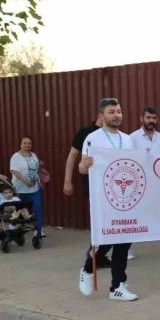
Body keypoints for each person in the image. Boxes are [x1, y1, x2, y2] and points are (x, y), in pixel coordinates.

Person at [78, 98, 138, 301]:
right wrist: (84, 165)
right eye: (112, 112)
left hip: (126, 198)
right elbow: (81, 168)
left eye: (119, 111)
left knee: (124, 241)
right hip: (103, 199)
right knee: (105, 240)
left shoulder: (128, 139)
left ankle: (117, 286)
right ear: (102, 116)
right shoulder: (92, 139)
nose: (117, 115)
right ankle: (87, 269)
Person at [129, 106, 160, 263]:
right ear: (141, 118)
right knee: (133, 217)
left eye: (154, 118)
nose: (151, 121)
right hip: (138, 185)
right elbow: (128, 160)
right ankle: (125, 248)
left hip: (158, 184)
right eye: (148, 118)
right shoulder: (132, 138)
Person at [65, 113, 113, 268]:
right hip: (93, 185)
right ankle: (93, 256)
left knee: (109, 221)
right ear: (101, 115)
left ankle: (99, 254)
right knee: (99, 221)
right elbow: (72, 157)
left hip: (111, 186)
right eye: (110, 113)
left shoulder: (113, 135)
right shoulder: (86, 133)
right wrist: (67, 181)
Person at [9, 137, 44, 237]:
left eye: (29, 143)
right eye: (24, 143)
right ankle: (12, 227)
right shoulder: (16, 156)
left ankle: (38, 230)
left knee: (37, 209)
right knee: (17, 209)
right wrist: (25, 180)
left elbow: (36, 167)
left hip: (34, 188)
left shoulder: (34, 155)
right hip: (20, 189)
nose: (27, 145)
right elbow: (14, 170)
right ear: (20, 145)